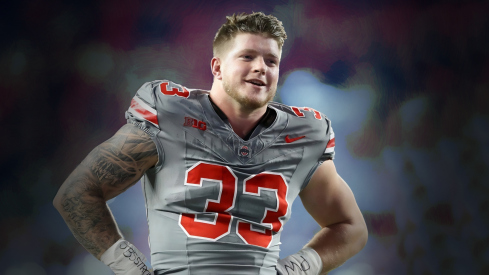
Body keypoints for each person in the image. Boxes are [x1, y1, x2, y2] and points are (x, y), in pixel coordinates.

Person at [53, 12, 368, 275]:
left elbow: (351, 226)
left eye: (271, 60)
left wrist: (297, 267)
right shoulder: (169, 120)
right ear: (216, 67)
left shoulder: (301, 135)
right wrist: (130, 267)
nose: (261, 67)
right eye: (247, 56)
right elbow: (77, 193)